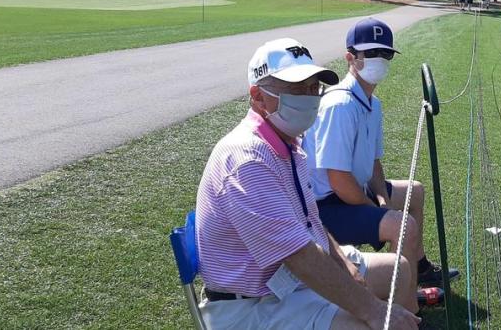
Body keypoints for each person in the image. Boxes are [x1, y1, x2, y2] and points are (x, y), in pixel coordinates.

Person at [195, 38, 420, 329]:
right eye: (294, 89)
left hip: (285, 283)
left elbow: (310, 222)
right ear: (258, 96)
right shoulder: (247, 161)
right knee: (368, 323)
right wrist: (374, 311)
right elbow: (299, 257)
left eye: (313, 88)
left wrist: (344, 264)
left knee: (398, 271)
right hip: (251, 304)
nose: (309, 97)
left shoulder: (288, 145)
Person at [304, 18, 460, 291]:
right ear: (350, 57)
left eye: (385, 53)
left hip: (353, 191)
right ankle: (406, 303)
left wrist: (383, 198)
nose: (380, 59)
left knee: (416, 191)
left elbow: (374, 164)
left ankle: (417, 267)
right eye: (371, 53)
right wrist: (375, 208)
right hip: (325, 206)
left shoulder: (373, 104)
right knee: (402, 225)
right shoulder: (339, 105)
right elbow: (338, 180)